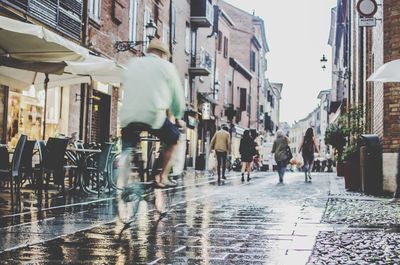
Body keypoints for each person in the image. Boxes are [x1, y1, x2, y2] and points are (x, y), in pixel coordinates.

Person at [119, 39, 185, 188]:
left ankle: (126, 173)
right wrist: (178, 116)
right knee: (174, 139)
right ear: (163, 54)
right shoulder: (167, 67)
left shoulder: (133, 63)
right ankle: (161, 176)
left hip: (127, 115)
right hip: (152, 114)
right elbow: (176, 97)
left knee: (128, 144)